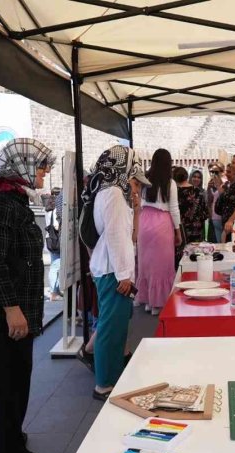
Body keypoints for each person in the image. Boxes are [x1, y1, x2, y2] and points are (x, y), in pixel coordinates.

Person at [0, 137, 55, 453]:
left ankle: (6, 440)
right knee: (6, 386)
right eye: (42, 166)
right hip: (0, 317)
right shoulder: (2, 202)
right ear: (23, 167)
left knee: (11, 382)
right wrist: (11, 308)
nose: (45, 172)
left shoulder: (11, 199)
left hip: (10, 313)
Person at [88, 145, 150, 400]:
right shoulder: (112, 193)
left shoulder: (113, 193)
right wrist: (124, 275)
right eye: (136, 182)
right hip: (113, 271)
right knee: (111, 328)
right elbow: (115, 237)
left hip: (115, 269)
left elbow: (129, 236)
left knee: (115, 325)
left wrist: (136, 209)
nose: (137, 188)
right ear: (125, 174)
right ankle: (104, 384)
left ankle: (112, 376)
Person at [136, 149, 180, 315]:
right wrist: (178, 231)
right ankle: (158, 303)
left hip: (144, 221)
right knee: (162, 264)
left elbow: (139, 203)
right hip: (162, 223)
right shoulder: (170, 183)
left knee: (146, 262)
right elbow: (174, 209)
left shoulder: (144, 180)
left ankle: (147, 300)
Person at [173, 166, 209, 264]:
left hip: (179, 232)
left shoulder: (173, 193)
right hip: (196, 232)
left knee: (180, 260)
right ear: (187, 176)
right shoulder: (199, 192)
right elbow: (205, 214)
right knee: (196, 259)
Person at [44, 195, 62, 301]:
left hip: (50, 239)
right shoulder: (55, 209)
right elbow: (56, 225)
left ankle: (56, 290)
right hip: (56, 240)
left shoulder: (47, 208)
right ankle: (54, 292)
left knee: (54, 264)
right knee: (56, 265)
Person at [206, 162, 226, 238]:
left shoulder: (226, 183)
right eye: (211, 172)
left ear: (222, 172)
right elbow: (209, 201)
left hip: (224, 217)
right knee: (217, 242)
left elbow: (224, 197)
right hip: (214, 217)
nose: (213, 174)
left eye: (216, 172)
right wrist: (208, 189)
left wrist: (218, 185)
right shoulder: (211, 183)